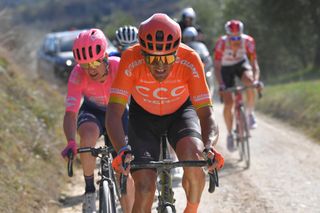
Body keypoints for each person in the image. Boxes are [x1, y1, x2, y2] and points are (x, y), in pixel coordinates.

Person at [106, 13, 224, 213]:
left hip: (180, 114)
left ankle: (191, 210)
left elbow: (206, 114)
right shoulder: (130, 58)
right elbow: (113, 113)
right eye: (151, 58)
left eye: (168, 57)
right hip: (143, 118)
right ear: (141, 52)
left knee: (195, 161)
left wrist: (209, 146)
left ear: (177, 52)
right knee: (144, 187)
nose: (160, 65)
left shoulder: (190, 59)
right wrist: (121, 150)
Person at [60, 28, 134, 213]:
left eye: (94, 62)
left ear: (105, 57)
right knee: (87, 137)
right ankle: (90, 189)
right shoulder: (77, 74)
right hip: (93, 111)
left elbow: (138, 99)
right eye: (84, 65)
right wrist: (70, 141)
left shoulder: (119, 67)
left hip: (117, 112)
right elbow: (70, 113)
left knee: (123, 169)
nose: (90, 69)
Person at [213, 19, 262, 152]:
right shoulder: (221, 43)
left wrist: (256, 80)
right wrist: (221, 85)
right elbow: (217, 68)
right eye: (232, 37)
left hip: (241, 64)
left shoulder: (248, 42)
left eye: (238, 37)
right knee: (229, 103)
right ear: (227, 36)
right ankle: (229, 134)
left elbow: (254, 65)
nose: (235, 40)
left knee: (250, 82)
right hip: (225, 68)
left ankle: (250, 113)